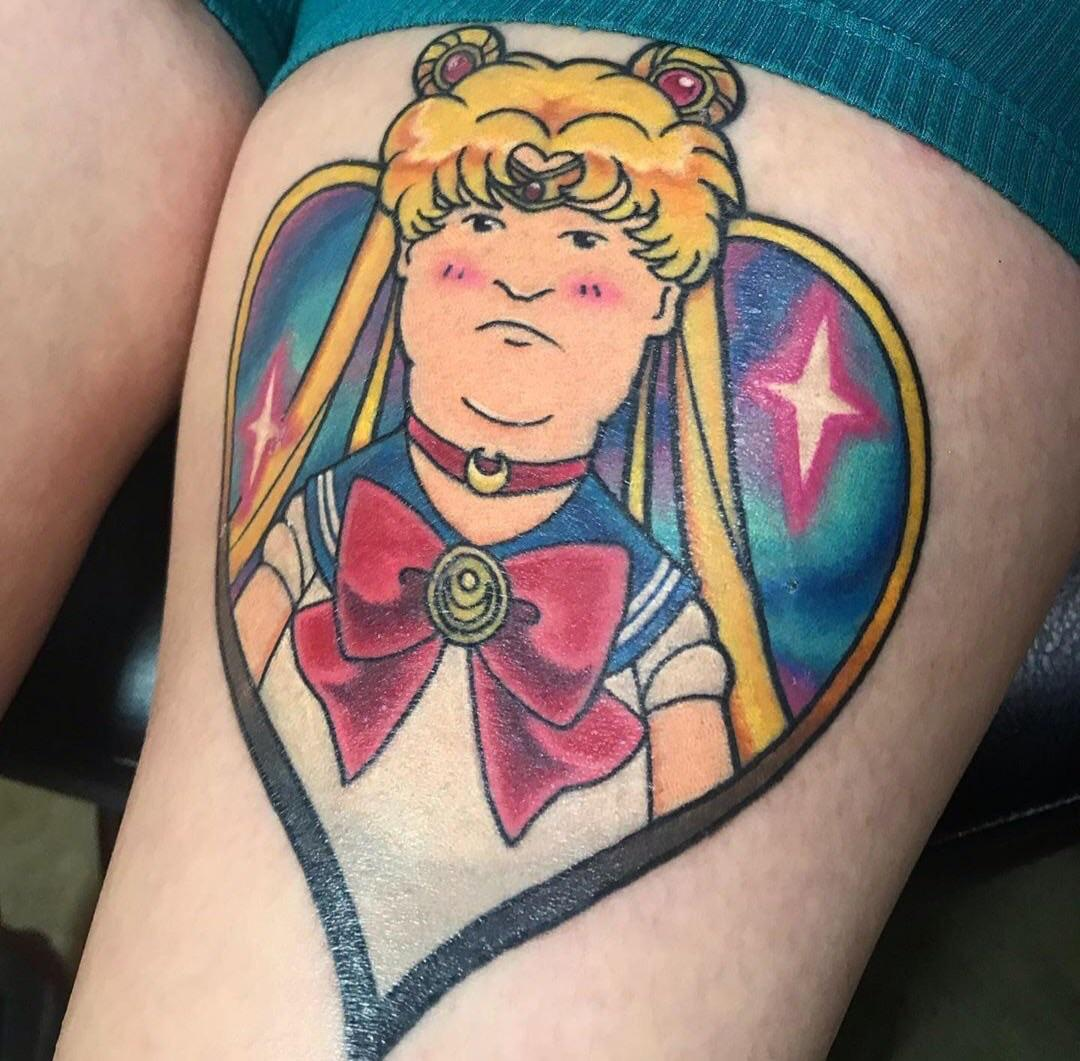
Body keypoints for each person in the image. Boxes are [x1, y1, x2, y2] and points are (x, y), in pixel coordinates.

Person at [0, 2, 1071, 1059]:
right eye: (469, 251)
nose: (521, 284)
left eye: (587, 268)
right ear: (406, 263)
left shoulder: (649, 598)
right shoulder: (333, 513)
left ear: (661, 304)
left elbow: (688, 759)